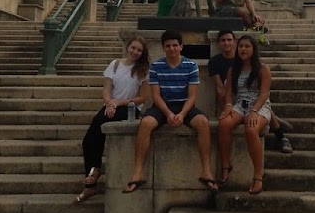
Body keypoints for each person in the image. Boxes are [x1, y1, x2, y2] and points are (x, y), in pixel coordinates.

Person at [124, 30, 218, 193]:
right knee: (145, 123)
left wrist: (181, 114)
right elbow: (156, 96)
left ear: (181, 46)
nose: (172, 49)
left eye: (175, 45)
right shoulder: (156, 66)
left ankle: (207, 170)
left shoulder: (191, 66)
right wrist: (168, 113)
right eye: (168, 46)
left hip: (185, 106)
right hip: (162, 106)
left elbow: (192, 96)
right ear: (163, 48)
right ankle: (138, 172)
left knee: (203, 122)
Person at [74, 36, 150, 204]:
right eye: (133, 48)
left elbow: (143, 97)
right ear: (127, 47)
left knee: (101, 125)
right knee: (89, 140)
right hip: (111, 106)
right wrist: (109, 103)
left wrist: (118, 102)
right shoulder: (115, 64)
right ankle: (92, 174)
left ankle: (94, 175)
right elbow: (106, 89)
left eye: (139, 50)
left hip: (129, 108)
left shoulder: (143, 70)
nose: (135, 52)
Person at [208, 30, 292, 156]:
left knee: (259, 105)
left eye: (229, 40)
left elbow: (263, 92)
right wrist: (228, 106)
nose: (226, 43)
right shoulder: (216, 62)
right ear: (219, 44)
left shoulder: (248, 61)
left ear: (234, 42)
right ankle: (275, 121)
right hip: (234, 95)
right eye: (223, 40)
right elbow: (221, 88)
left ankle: (280, 135)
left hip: (253, 97)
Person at [216, 35, 272, 195]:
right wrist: (228, 106)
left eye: (247, 46)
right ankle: (226, 166)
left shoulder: (263, 69)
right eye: (241, 46)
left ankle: (258, 174)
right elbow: (229, 93)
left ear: (253, 49)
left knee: (251, 128)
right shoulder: (233, 70)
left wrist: (254, 111)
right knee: (224, 124)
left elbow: (263, 94)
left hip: (259, 105)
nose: (243, 49)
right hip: (240, 104)